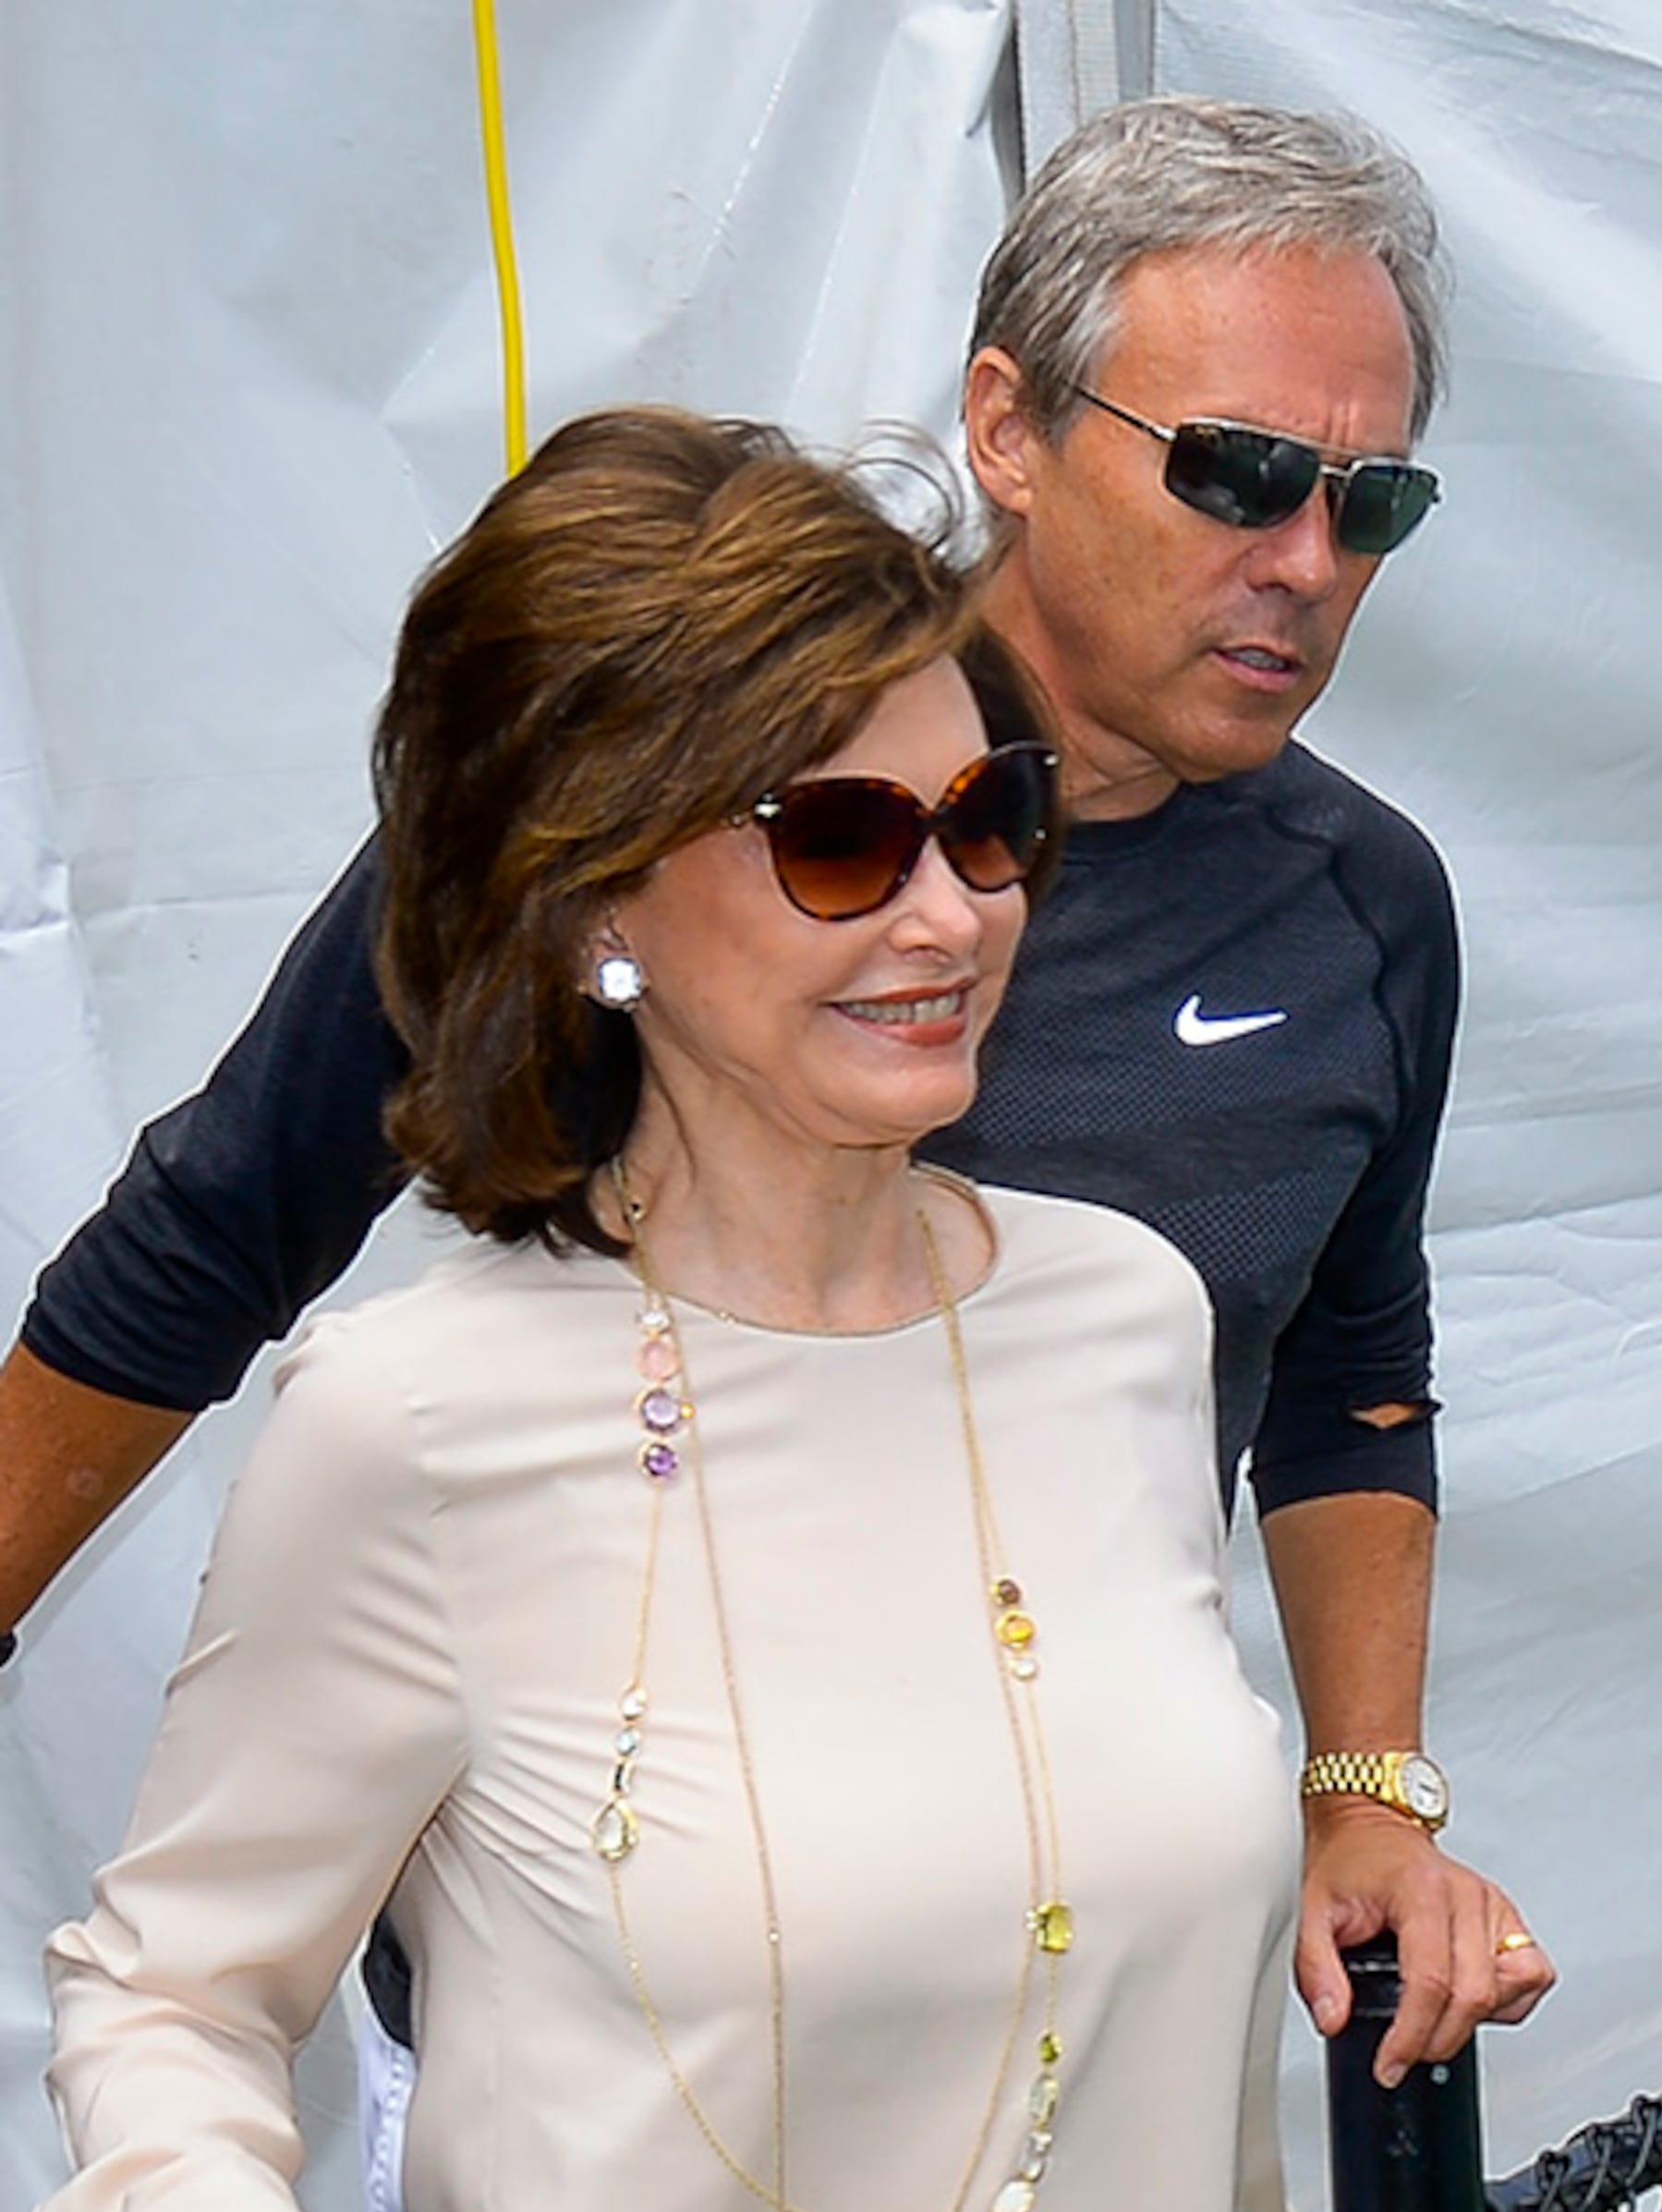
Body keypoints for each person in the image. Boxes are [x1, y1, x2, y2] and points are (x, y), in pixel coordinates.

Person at [0, 97, 1546, 2084]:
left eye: (1373, 501)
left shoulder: (1363, 910)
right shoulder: (663, 800)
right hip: (596, 2020)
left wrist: (1365, 1789)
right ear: (1009, 424)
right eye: (1242, 472)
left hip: (1076, 1973)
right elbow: (215, 1226)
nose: (1307, 561)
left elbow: (1349, 1353)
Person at [38, 406, 1301, 2212]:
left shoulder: (1126, 1316)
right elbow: (171, 1993)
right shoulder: (418, 1424)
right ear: (593, 900)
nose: (951, 912)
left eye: (986, 819)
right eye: (846, 839)